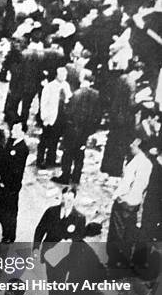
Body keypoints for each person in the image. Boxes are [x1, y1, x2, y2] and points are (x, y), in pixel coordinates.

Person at [33, 186, 86, 295]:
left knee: (58, 283)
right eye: (64, 198)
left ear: (74, 199)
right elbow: (40, 229)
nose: (67, 202)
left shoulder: (79, 218)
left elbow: (79, 238)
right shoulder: (51, 212)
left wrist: (69, 242)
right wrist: (36, 248)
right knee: (52, 282)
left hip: (65, 258)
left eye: (70, 199)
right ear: (61, 198)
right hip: (50, 255)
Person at [107, 137, 153, 269]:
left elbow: (128, 183)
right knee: (128, 235)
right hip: (134, 204)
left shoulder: (138, 162)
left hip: (125, 203)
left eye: (134, 144)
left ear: (140, 147)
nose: (131, 145)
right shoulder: (147, 163)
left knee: (117, 235)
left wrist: (119, 196)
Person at [53, 69, 101, 184]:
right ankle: (76, 176)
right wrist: (91, 129)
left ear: (82, 79)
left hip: (73, 129)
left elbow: (69, 112)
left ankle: (65, 176)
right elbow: (98, 115)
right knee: (80, 154)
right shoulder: (96, 94)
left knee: (68, 153)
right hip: (85, 130)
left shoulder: (77, 94)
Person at [0, 123, 29, 242]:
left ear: (23, 132)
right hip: (4, 183)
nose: (12, 131)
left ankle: (9, 235)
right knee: (1, 209)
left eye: (16, 129)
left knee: (10, 211)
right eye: (12, 128)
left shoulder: (22, 148)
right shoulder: (10, 143)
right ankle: (3, 232)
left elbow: (16, 171)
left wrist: (8, 183)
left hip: (11, 186)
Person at [37, 66, 71, 169]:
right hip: (49, 117)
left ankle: (51, 159)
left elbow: (69, 97)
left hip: (60, 117)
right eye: (62, 75)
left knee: (55, 139)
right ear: (57, 75)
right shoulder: (49, 86)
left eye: (65, 75)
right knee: (44, 140)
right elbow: (43, 103)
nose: (64, 77)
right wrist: (44, 117)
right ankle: (40, 160)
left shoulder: (66, 85)